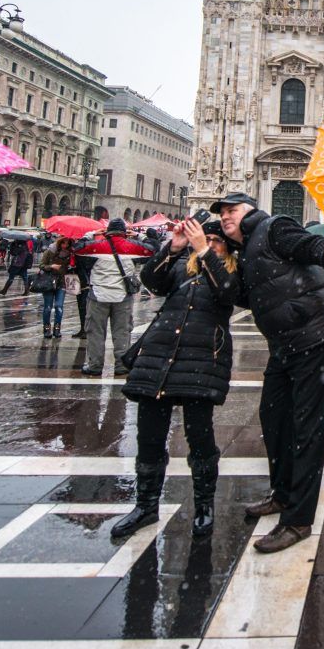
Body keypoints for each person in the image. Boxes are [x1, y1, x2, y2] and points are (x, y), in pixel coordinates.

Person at [214, 191, 324, 554]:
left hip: (314, 336)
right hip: (286, 342)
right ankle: (283, 494)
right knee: (273, 418)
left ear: (251, 211)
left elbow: (306, 244)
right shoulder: (246, 250)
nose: (227, 217)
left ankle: (298, 520)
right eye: (223, 213)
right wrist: (212, 256)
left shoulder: (273, 228)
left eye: (233, 210)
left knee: (307, 428)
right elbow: (239, 295)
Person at [114, 216, 238, 541]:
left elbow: (227, 294)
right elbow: (152, 282)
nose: (208, 245)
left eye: (216, 242)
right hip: (159, 356)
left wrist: (204, 251)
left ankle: (204, 507)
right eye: (205, 240)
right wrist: (175, 247)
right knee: (150, 437)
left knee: (200, 439)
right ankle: (145, 505)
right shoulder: (185, 265)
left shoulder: (233, 270)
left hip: (200, 360)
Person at [74, 219, 152, 377]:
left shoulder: (96, 246)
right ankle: (121, 365)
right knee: (122, 332)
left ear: (107, 231)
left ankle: (95, 366)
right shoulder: (131, 246)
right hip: (122, 296)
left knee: (95, 332)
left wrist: (91, 235)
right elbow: (154, 248)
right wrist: (139, 236)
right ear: (124, 232)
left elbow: (76, 248)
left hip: (98, 296)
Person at [38, 236, 75, 339]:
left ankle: (57, 329)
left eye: (68, 244)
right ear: (59, 243)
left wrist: (71, 266)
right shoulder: (50, 251)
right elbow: (41, 265)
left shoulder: (71, 254)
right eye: (64, 243)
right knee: (48, 308)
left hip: (62, 283)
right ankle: (46, 329)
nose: (65, 246)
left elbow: (72, 268)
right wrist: (51, 266)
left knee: (59, 307)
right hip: (49, 282)